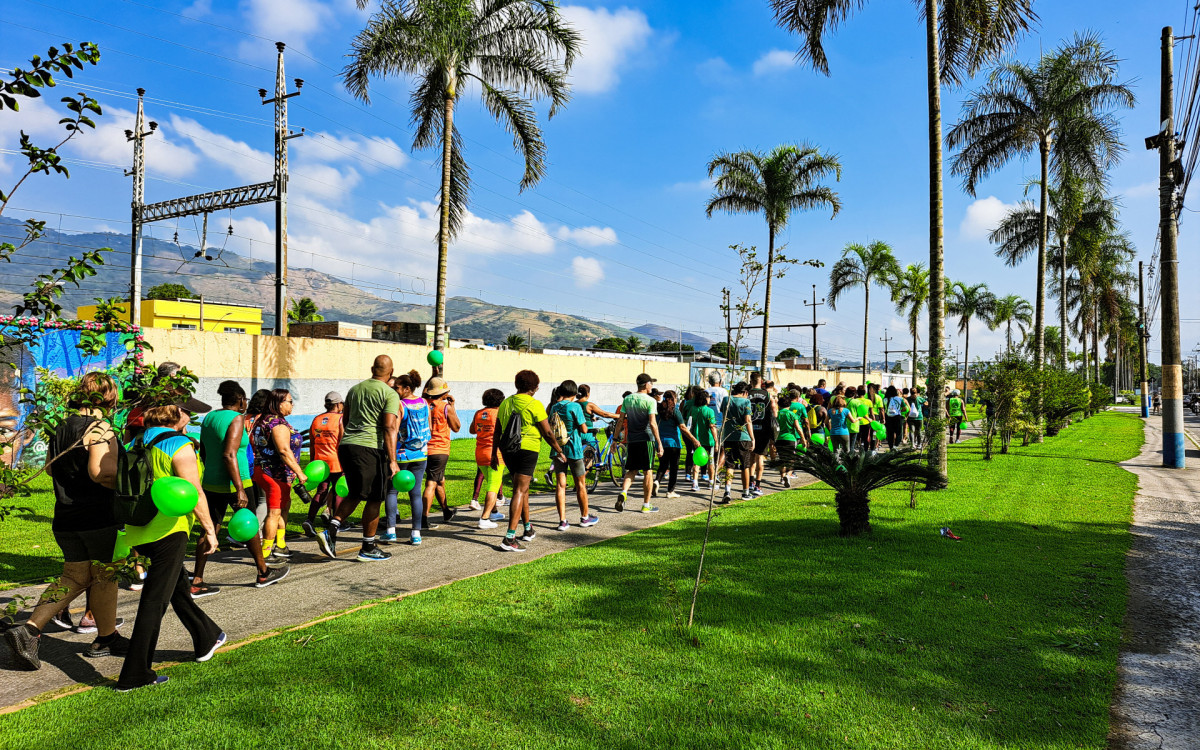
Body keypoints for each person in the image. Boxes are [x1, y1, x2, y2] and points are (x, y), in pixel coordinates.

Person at [3, 373, 125, 670]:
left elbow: (48, 469)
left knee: (74, 577)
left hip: (66, 517)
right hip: (97, 516)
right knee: (105, 576)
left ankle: (33, 629)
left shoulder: (61, 426)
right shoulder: (99, 428)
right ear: (108, 397)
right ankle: (100, 637)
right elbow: (101, 472)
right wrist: (129, 483)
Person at [116, 400, 225, 692]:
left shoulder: (134, 443)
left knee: (176, 588)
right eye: (188, 414)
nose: (191, 419)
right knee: (155, 601)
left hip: (139, 527)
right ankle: (134, 674)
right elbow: (194, 490)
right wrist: (209, 530)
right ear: (178, 417)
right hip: (169, 528)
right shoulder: (178, 443)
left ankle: (207, 638)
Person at [193, 380, 286, 596]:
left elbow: (205, 451)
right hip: (237, 483)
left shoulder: (210, 417)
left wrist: (211, 471)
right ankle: (263, 572)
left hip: (211, 482)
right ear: (239, 400)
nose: (246, 403)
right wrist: (240, 489)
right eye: (244, 399)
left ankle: (197, 579)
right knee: (250, 525)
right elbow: (229, 454)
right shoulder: (236, 419)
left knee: (210, 527)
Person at [316, 355, 400, 562]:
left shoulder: (354, 390)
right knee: (374, 498)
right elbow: (389, 426)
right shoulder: (390, 393)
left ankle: (333, 528)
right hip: (370, 447)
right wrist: (392, 460)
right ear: (390, 372)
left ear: (372, 368)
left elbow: (345, 420)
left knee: (355, 493)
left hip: (348, 446)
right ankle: (368, 547)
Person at [493, 370, 566, 552]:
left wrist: (494, 453)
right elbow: (548, 432)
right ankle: (509, 537)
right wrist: (559, 450)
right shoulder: (535, 405)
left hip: (507, 449)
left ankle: (527, 528)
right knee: (519, 490)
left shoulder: (505, 403)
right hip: (528, 449)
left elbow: (497, 431)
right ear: (533, 388)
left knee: (522, 489)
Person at [251, 389, 306, 566]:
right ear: (279, 403)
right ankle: (266, 552)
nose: (292, 404)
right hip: (273, 472)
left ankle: (280, 545)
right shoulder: (276, 424)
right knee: (274, 512)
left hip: (273, 471)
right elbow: (284, 450)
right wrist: (299, 471)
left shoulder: (264, 420)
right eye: (289, 401)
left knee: (284, 507)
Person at [385, 370, 429, 545]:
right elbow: (429, 427)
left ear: (407, 388)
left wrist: (391, 458)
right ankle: (416, 533)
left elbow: (393, 431)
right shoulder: (425, 403)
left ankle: (390, 531)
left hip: (402, 454)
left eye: (397, 387)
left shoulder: (400, 405)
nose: (395, 390)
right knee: (415, 494)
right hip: (421, 454)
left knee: (392, 490)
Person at [548, 380, 598, 529]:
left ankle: (562, 521)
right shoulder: (575, 406)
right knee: (580, 484)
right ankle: (584, 517)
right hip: (573, 449)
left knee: (560, 485)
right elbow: (583, 429)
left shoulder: (554, 407)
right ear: (574, 393)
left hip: (558, 449)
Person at [616, 373, 664, 513]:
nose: (652, 386)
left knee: (631, 470)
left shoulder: (628, 399)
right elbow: (653, 424)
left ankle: (624, 492)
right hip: (646, 439)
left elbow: (620, 421)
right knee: (648, 471)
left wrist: (614, 439)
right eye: (651, 383)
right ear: (645, 385)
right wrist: (659, 443)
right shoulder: (650, 401)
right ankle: (646, 505)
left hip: (632, 440)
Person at [304, 392, 344, 538]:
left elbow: (312, 443)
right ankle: (336, 522)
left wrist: (312, 462)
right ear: (339, 404)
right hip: (336, 462)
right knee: (339, 492)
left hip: (320, 463)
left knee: (322, 491)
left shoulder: (316, 419)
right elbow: (342, 443)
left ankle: (309, 520)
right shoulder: (340, 419)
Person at [422, 377, 460, 527]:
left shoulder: (423, 404)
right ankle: (423, 518)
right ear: (443, 393)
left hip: (424, 449)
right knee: (431, 483)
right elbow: (456, 427)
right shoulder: (445, 407)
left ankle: (446, 511)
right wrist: (452, 406)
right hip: (440, 449)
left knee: (439, 479)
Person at [470, 388, 507, 529]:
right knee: (493, 486)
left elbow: (472, 430)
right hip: (495, 453)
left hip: (480, 452)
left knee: (492, 483)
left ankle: (494, 512)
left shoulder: (479, 413)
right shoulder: (499, 414)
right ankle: (484, 518)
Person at [653, 389, 699, 499]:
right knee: (673, 468)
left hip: (660, 442)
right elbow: (682, 427)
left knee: (663, 465)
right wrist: (693, 439)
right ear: (674, 399)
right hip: (673, 443)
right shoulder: (675, 410)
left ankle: (657, 481)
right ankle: (670, 491)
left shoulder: (658, 410)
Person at [717, 382, 754, 503]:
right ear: (745, 392)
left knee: (730, 465)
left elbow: (724, 417)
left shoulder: (726, 399)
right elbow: (748, 420)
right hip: (743, 436)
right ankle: (746, 492)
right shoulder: (746, 402)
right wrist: (752, 438)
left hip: (728, 436)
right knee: (745, 466)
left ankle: (727, 491)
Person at [747, 372, 776, 497]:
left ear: (751, 381)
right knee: (760, 457)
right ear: (761, 381)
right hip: (763, 429)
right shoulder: (767, 395)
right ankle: (758, 485)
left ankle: (751, 483)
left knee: (751, 457)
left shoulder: (746, 394)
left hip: (750, 429)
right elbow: (773, 411)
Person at [687, 388, 719, 492]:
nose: (709, 399)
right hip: (708, 440)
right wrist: (716, 440)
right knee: (710, 462)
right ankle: (711, 483)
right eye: (708, 397)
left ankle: (694, 483)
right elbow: (712, 427)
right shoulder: (709, 411)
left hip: (696, 440)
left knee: (696, 461)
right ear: (705, 399)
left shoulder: (693, 409)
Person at [775, 391, 801, 487]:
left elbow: (774, 428)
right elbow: (798, 428)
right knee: (791, 460)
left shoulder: (777, 414)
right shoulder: (792, 414)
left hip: (779, 438)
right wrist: (803, 438)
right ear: (789, 404)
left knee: (782, 459)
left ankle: (782, 477)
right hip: (790, 439)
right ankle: (788, 475)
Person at [884, 385, 907, 450]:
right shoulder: (899, 399)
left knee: (890, 433)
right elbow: (905, 408)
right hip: (897, 417)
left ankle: (891, 447)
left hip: (888, 418)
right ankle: (896, 445)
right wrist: (899, 410)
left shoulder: (885, 399)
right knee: (898, 432)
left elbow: (884, 409)